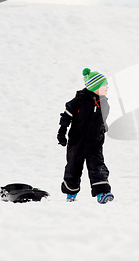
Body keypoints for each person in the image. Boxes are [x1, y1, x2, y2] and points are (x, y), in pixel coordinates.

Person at [57, 68, 114, 204]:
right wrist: (62, 132)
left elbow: (102, 119)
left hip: (94, 142)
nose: (107, 87)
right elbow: (66, 116)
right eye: (104, 85)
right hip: (77, 141)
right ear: (95, 86)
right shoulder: (79, 100)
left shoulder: (104, 103)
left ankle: (103, 193)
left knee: (98, 166)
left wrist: (103, 127)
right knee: (73, 167)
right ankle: (71, 193)